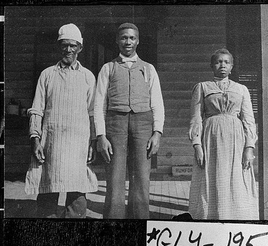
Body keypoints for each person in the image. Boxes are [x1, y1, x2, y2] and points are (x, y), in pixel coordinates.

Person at [25, 23, 98, 218]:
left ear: (80, 48)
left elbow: (93, 113)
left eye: (73, 45)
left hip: (78, 144)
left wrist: (93, 141)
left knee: (76, 198)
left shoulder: (88, 77)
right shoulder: (47, 75)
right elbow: (37, 109)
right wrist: (35, 139)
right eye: (64, 45)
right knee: (48, 194)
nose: (68, 50)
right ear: (59, 47)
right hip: (52, 143)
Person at [94, 23, 164, 219]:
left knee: (142, 177)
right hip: (115, 125)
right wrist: (101, 135)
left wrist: (157, 133)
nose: (128, 42)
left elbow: (157, 103)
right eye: (124, 37)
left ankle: (140, 223)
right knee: (115, 177)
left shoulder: (148, 69)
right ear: (117, 41)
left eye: (132, 38)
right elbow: (99, 104)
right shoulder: (108, 68)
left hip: (143, 126)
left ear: (138, 41)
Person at [188, 48, 259, 220]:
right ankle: (211, 217)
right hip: (211, 138)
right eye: (219, 62)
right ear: (212, 65)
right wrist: (197, 145)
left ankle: (236, 218)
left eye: (226, 62)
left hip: (236, 140)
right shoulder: (202, 87)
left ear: (232, 66)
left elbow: (249, 120)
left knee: (235, 176)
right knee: (213, 177)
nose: (222, 65)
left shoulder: (241, 89)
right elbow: (195, 119)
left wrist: (249, 147)